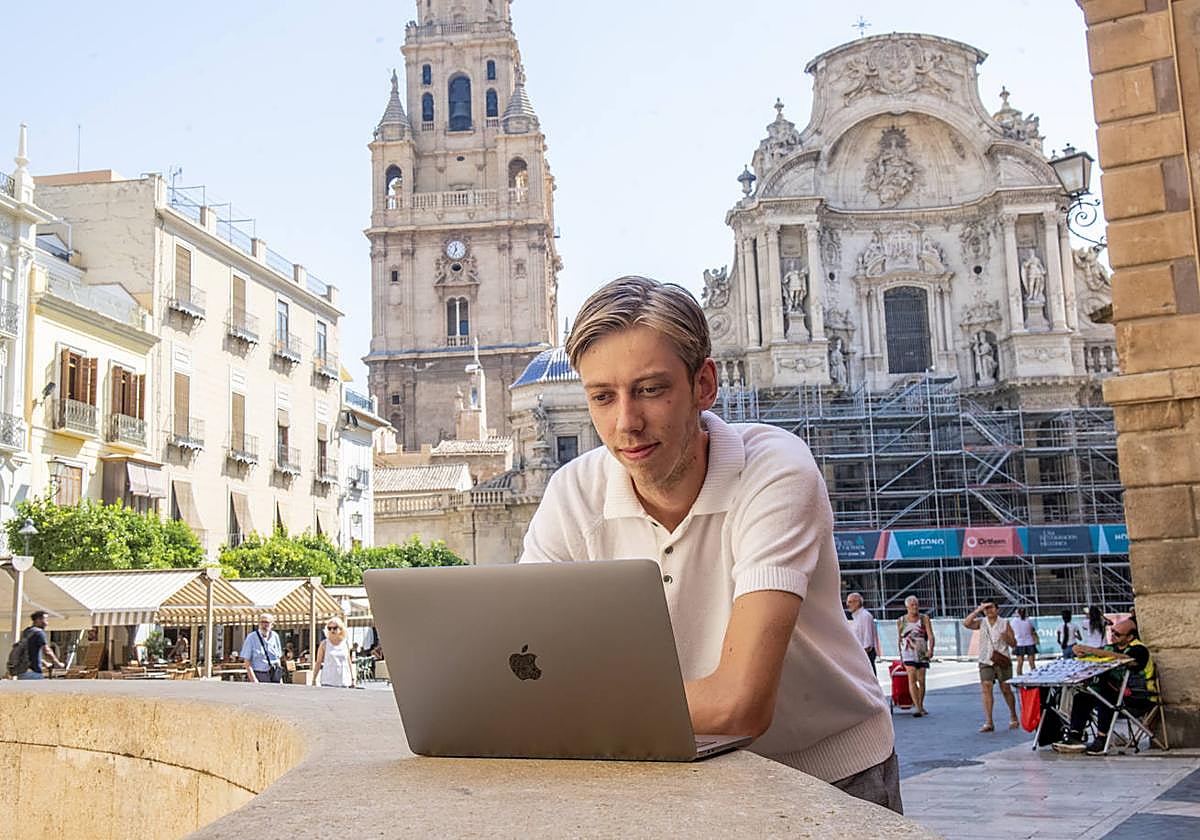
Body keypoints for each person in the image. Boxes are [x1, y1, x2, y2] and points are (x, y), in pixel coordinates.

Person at [520, 276, 899, 813]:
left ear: (704, 384)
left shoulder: (775, 470)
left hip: (826, 774)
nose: (626, 422)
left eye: (651, 389)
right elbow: (524, 662)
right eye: (603, 397)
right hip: (673, 770)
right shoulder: (572, 493)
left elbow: (739, 703)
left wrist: (560, 705)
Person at [1054, 618, 1156, 755]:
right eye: (1112, 631)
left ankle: (1102, 739)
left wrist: (1096, 652)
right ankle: (1075, 736)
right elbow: (1095, 653)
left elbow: (1124, 659)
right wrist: (1077, 649)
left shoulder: (1139, 649)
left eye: (1117, 634)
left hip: (1138, 696)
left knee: (1105, 697)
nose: (1113, 635)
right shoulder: (1110, 647)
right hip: (1115, 694)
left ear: (1130, 637)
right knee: (1082, 697)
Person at [963, 598, 1018, 732]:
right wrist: (978, 610)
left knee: (1005, 688)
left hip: (1001, 659)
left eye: (991, 607)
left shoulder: (1004, 623)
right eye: (987, 608)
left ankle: (1013, 715)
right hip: (985, 659)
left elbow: (1014, 643)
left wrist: (1007, 638)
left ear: (997, 609)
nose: (989, 610)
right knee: (986, 687)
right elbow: (966, 623)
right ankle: (989, 721)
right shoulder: (982, 623)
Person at [896, 596, 933, 717]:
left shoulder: (924, 618)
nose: (915, 607)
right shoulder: (901, 620)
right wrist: (901, 655)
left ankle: (921, 704)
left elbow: (930, 635)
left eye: (916, 604)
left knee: (921, 680)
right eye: (912, 605)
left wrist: (931, 649)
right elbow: (900, 638)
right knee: (911, 677)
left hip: (921, 650)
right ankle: (917, 707)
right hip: (908, 650)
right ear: (907, 607)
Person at [15, 611, 66, 679]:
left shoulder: (26, 632)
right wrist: (58, 663)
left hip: (22, 672)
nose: (47, 623)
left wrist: (44, 662)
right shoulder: (39, 633)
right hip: (33, 673)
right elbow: (47, 651)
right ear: (38, 620)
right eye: (45, 619)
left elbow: (29, 653)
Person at [312, 616, 356, 689]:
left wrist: (353, 679)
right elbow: (318, 662)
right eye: (329, 628)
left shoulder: (345, 643)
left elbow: (349, 662)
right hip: (328, 681)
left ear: (340, 629)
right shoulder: (324, 644)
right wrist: (314, 679)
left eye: (334, 628)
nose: (332, 630)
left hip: (343, 681)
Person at [240, 613, 283, 684]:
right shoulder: (251, 637)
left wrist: (280, 678)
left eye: (266, 622)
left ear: (272, 625)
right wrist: (254, 680)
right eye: (261, 622)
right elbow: (247, 661)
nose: (264, 625)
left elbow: (278, 658)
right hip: (259, 674)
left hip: (274, 674)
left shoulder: (275, 636)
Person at [846, 592, 880, 674]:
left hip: (865, 655)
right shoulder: (857, 617)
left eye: (850, 602)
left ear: (857, 602)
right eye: (848, 602)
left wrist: (861, 656)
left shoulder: (865, 616)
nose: (848, 604)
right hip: (860, 654)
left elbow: (868, 642)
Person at [1009, 607, 1039, 675]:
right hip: (1029, 642)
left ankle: (1019, 678)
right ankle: (1034, 677)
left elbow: (1011, 632)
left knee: (1020, 663)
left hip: (1019, 643)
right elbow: (1033, 631)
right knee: (1032, 663)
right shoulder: (1029, 621)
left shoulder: (1013, 621)